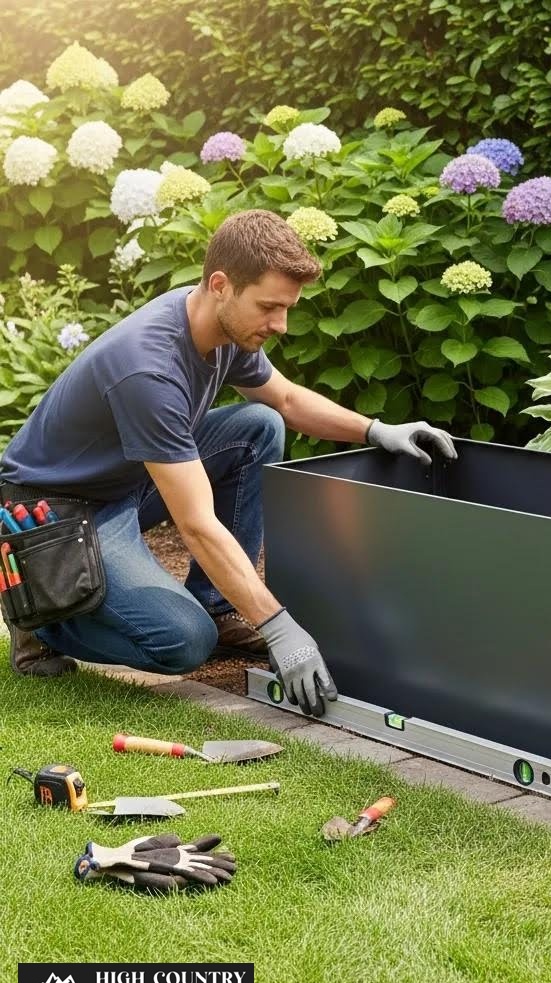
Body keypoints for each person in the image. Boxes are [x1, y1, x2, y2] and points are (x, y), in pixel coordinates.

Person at [0, 209, 455, 717]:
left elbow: (285, 400)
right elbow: (195, 525)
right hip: (59, 512)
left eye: (286, 308)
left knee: (259, 425)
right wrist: (281, 627)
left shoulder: (221, 330)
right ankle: (43, 618)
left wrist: (378, 431)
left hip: (125, 478)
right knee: (184, 644)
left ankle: (218, 605)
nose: (280, 324)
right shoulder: (148, 369)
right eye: (269, 307)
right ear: (221, 284)